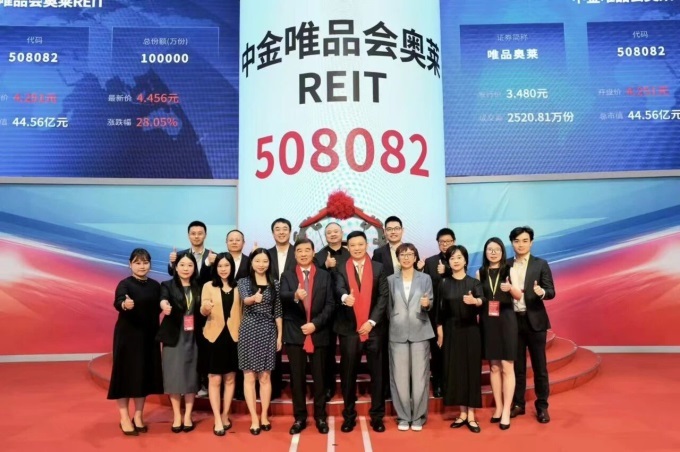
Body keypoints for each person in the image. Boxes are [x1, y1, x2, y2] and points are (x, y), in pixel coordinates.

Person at [334, 231, 389, 433]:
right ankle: (349, 416)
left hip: (374, 329)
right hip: (350, 329)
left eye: (360, 244)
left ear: (366, 245)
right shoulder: (341, 268)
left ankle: (377, 416)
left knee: (377, 374)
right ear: (348, 247)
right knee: (348, 375)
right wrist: (344, 297)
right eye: (353, 245)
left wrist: (372, 321)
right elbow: (338, 287)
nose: (357, 248)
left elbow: (383, 297)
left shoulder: (378, 268)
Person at [280, 239, 335, 435]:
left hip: (318, 333)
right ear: (295, 254)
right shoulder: (287, 275)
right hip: (295, 333)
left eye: (307, 250)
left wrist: (315, 324)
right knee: (297, 378)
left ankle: (320, 417)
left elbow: (330, 304)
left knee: (320, 378)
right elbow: (282, 295)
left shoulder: (324, 275)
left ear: (313, 253)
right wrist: (295, 296)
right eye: (299, 251)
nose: (303, 254)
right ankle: (300, 418)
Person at [108, 248, 163, 436]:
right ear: (130, 264)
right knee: (125, 376)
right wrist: (125, 304)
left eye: (145, 262)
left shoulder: (155, 286)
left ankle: (138, 416)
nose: (142, 266)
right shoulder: (125, 284)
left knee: (143, 376)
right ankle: (124, 417)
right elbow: (118, 301)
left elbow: (160, 305)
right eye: (138, 263)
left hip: (149, 336)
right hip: (128, 337)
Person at [507, 226, 556, 424]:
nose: (521, 244)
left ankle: (542, 406)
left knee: (539, 367)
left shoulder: (540, 264)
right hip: (513, 321)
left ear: (531, 242)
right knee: (517, 367)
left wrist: (541, 292)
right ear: (512, 243)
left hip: (535, 321)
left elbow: (551, 291)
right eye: (517, 241)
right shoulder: (506, 264)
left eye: (525, 240)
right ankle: (518, 404)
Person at [386, 243, 435, 432]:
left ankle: (418, 416)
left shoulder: (425, 278)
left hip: (420, 330)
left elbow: (430, 302)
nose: (406, 257)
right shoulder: (391, 280)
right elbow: (388, 307)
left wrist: (427, 304)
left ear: (415, 257)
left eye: (410, 254)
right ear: (398, 258)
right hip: (397, 332)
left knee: (420, 377)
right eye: (402, 254)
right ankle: (403, 416)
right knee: (399, 377)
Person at [437, 245, 484, 433]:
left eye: (459, 257)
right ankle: (462, 413)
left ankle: (471, 415)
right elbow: (439, 311)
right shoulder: (444, 283)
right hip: (451, 331)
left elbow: (483, 302)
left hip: (471, 331)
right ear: (448, 262)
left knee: (471, 371)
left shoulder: (474, 283)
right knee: (456, 371)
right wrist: (440, 331)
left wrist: (475, 301)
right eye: (452, 258)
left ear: (465, 260)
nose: (455, 261)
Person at [476, 238, 522, 430]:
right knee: (494, 366)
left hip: (506, 320)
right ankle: (499, 407)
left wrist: (510, 289)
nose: (493, 252)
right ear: (485, 252)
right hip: (488, 322)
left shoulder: (510, 270)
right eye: (490, 249)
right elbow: (480, 298)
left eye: (497, 249)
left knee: (507, 366)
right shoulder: (480, 272)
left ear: (502, 252)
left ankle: (506, 411)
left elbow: (519, 296)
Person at [237, 248, 283, 435]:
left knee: (265, 377)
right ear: (251, 262)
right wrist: (253, 298)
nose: (261, 264)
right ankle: (254, 418)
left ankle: (264, 415)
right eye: (257, 261)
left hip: (268, 329)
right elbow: (245, 299)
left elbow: (278, 311)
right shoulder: (244, 281)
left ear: (269, 263)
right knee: (249, 376)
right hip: (248, 329)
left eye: (265, 261)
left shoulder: (275, 283)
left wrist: (280, 336)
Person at [168, 220, 215, 398]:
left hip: (205, 307)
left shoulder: (212, 256)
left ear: (205, 235)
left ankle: (202, 382)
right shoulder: (180, 255)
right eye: (193, 233)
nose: (196, 236)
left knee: (202, 346)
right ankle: (184, 382)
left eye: (200, 233)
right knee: (185, 347)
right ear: (188, 236)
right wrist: (171, 263)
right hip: (184, 308)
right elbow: (173, 276)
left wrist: (210, 264)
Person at [157, 252, 201, 433]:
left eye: (190, 265)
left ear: (194, 268)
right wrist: (164, 306)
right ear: (176, 267)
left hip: (194, 336)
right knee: (174, 376)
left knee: (191, 376)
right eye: (182, 265)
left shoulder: (199, 286)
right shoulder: (167, 285)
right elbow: (162, 299)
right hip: (175, 336)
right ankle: (177, 415)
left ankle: (188, 415)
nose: (186, 268)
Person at [200, 253, 243, 436]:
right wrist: (205, 308)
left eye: (227, 265)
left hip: (233, 337)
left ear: (232, 267)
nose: (223, 269)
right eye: (220, 266)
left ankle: (225, 414)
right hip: (214, 338)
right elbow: (203, 309)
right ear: (215, 268)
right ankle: (217, 418)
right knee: (215, 379)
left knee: (230, 378)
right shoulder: (208, 286)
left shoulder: (239, 286)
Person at [314, 222, 350, 401]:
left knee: (347, 351)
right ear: (325, 236)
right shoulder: (318, 256)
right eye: (329, 232)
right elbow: (313, 279)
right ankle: (329, 387)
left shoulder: (350, 253)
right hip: (326, 309)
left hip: (347, 309)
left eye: (336, 231)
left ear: (342, 233)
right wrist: (324, 266)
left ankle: (347, 387)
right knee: (327, 352)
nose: (333, 234)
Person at [422, 228, 456, 397]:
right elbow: (426, 286)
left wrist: (448, 271)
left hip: (455, 313)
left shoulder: (458, 258)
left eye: (448, 241)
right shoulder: (430, 262)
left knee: (453, 351)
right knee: (437, 351)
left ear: (454, 242)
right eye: (442, 242)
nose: (445, 245)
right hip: (435, 314)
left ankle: (452, 384)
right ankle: (438, 384)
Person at [268, 218, 295, 399]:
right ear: (273, 233)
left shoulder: (299, 252)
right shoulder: (266, 254)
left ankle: (296, 388)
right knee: (274, 349)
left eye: (285, 229)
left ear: (290, 231)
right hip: (271, 308)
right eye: (277, 229)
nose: (281, 232)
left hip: (295, 307)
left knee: (295, 351)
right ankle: (274, 387)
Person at [226, 229, 249, 401]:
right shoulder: (220, 261)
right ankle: (226, 388)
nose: (234, 242)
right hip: (222, 311)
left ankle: (240, 389)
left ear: (243, 242)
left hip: (244, 311)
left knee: (242, 351)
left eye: (238, 239)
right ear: (226, 243)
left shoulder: (250, 262)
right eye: (231, 240)